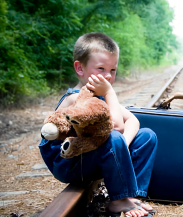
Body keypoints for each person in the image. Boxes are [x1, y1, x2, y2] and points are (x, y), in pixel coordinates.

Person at [39, 33, 157, 217]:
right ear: (80, 68)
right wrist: (110, 92)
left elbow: (133, 120)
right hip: (68, 162)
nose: (108, 76)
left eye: (113, 70)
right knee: (114, 136)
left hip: (89, 155)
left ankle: (133, 195)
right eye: (101, 68)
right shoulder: (75, 98)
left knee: (147, 136)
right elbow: (116, 127)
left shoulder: (98, 93)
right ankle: (118, 201)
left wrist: (122, 148)